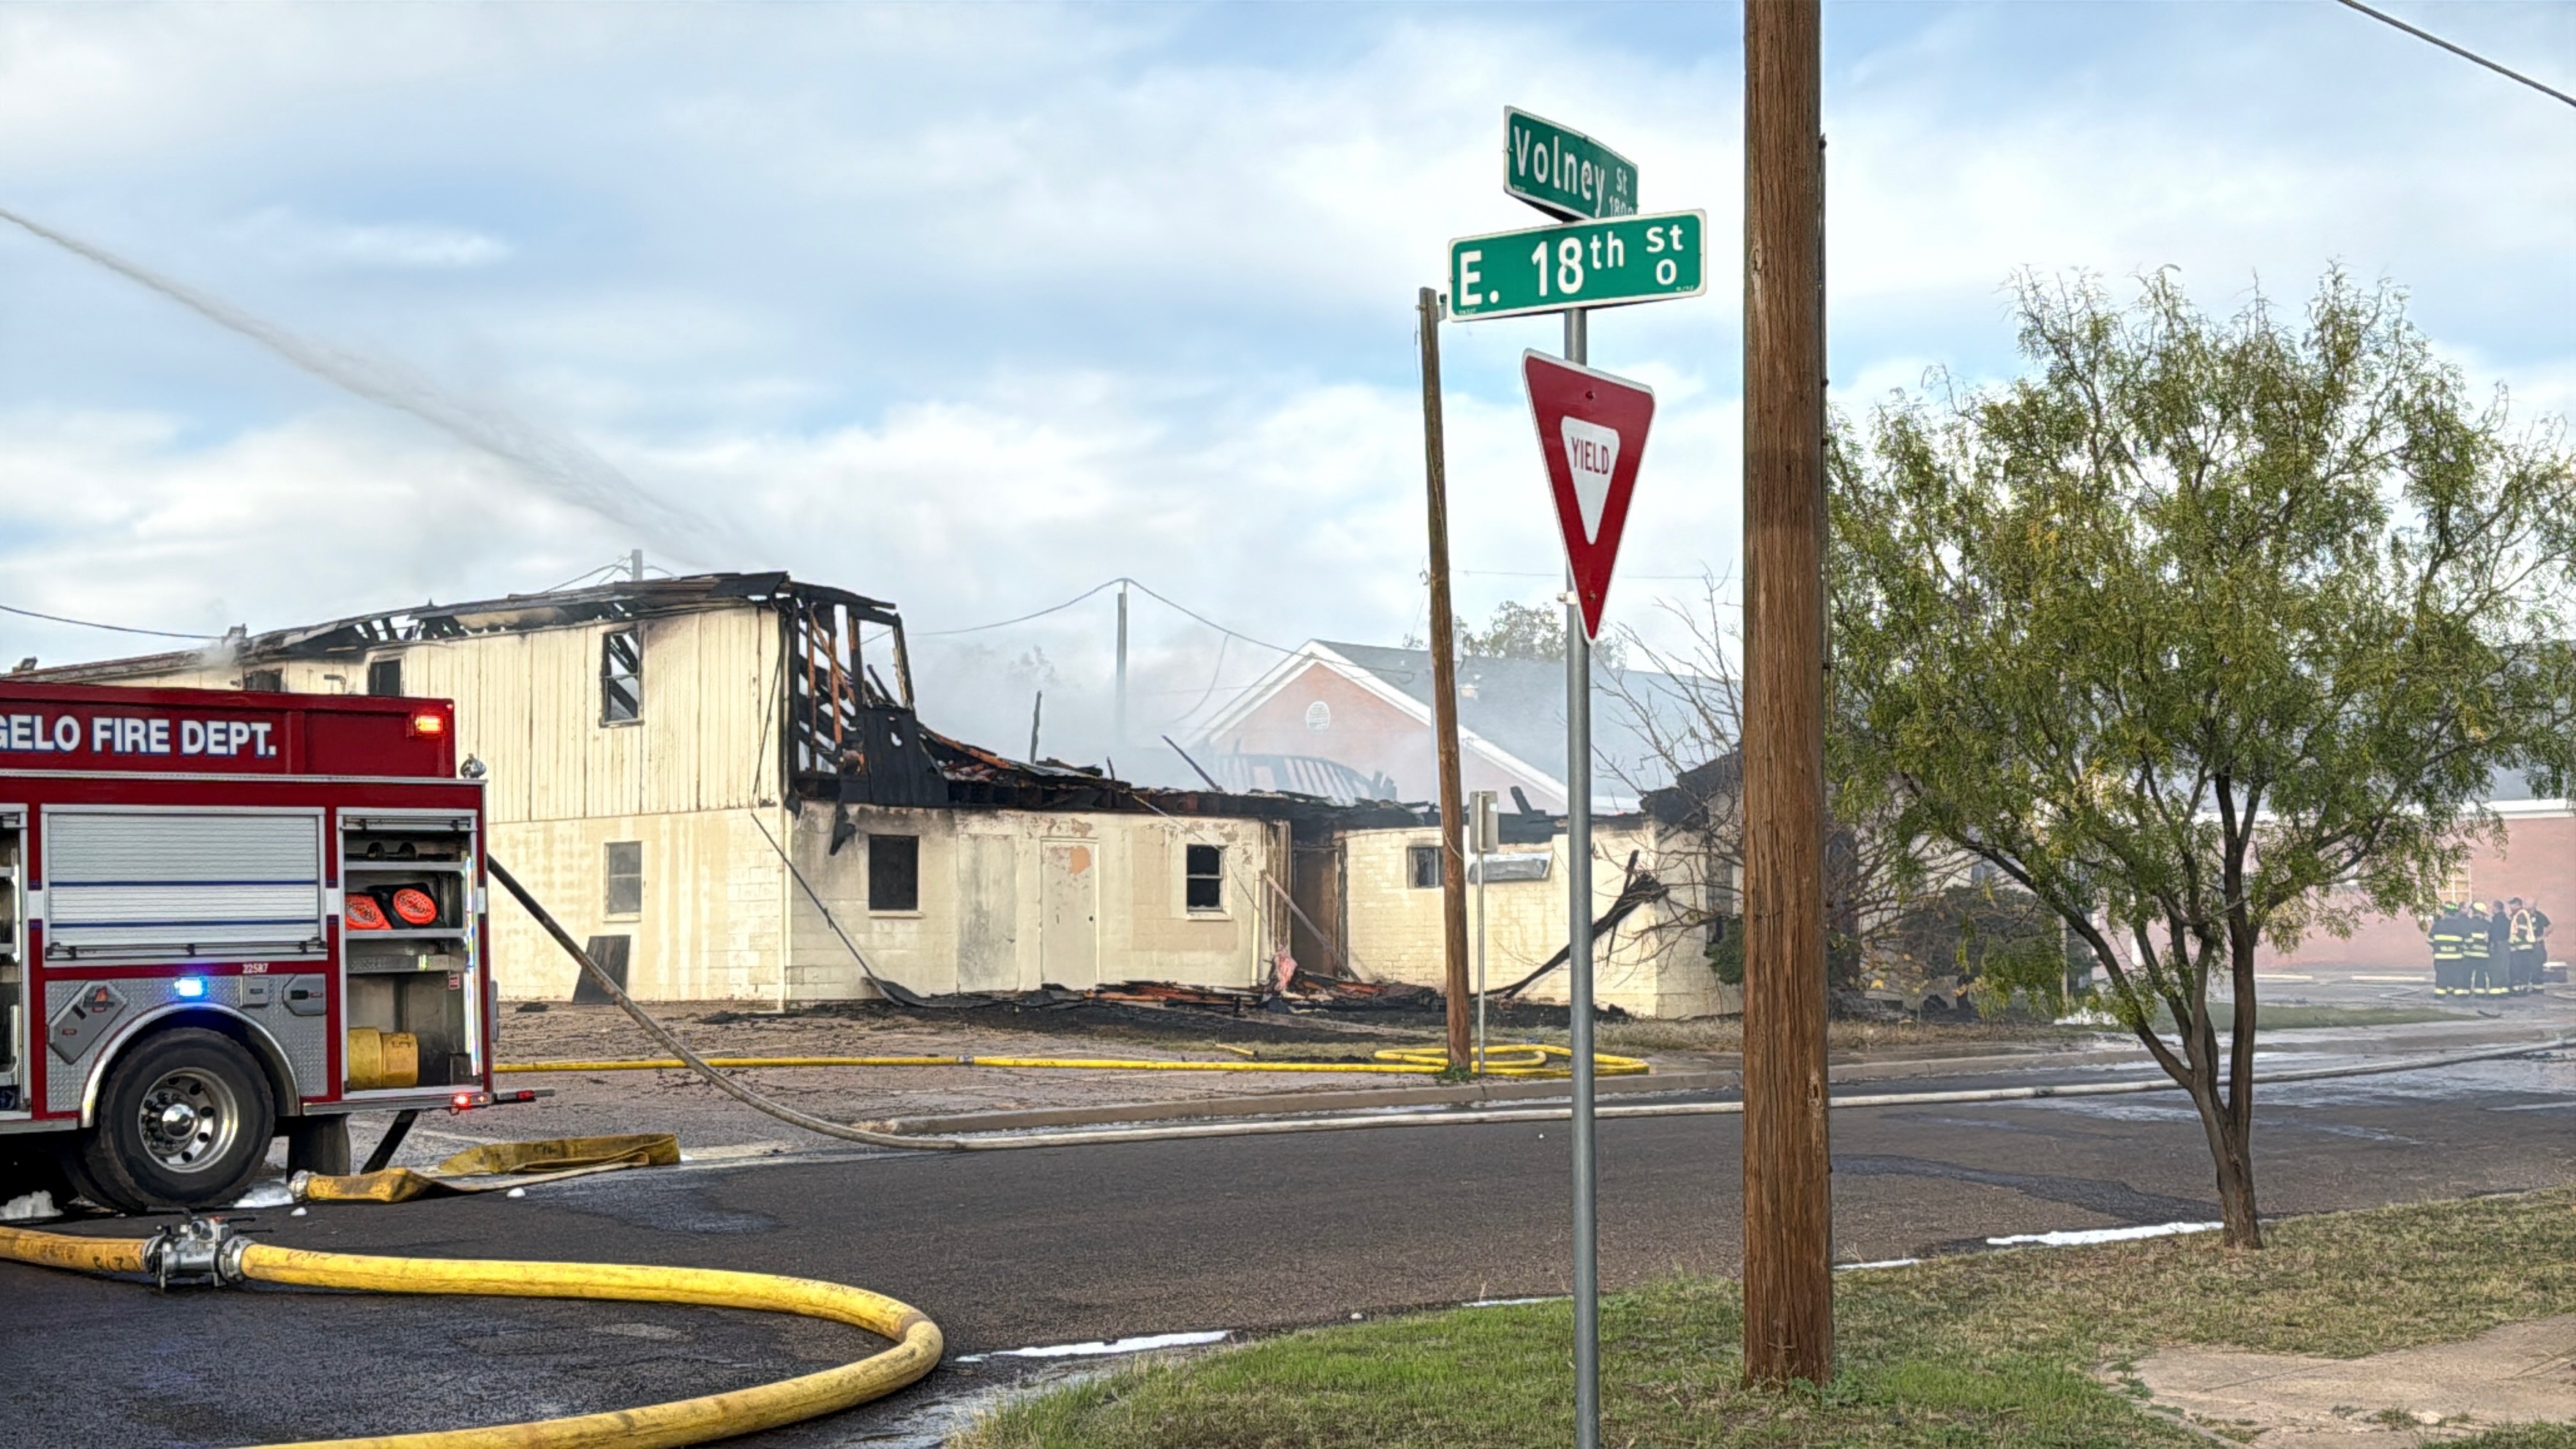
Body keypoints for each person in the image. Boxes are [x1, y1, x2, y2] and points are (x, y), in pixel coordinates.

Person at [2511, 897, 2551, 995]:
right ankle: (2523, 986)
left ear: (2534, 905)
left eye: (2528, 904)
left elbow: (2549, 926)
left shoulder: (2539, 916)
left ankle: (2538, 987)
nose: (2526, 906)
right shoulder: (2522, 915)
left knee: (2536, 966)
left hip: (2536, 945)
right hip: (2525, 945)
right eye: (2525, 904)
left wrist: (2542, 937)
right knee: (2524, 966)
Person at [2430, 902, 2467, 997]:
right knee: (2457, 978)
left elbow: (2430, 940)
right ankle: (2459, 997)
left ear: (2445, 912)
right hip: (2456, 958)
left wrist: (2439, 947)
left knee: (2441, 978)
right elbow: (2466, 940)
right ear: (2455, 913)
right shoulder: (2460, 925)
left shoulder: (2438, 925)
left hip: (2441, 958)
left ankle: (2440, 996)